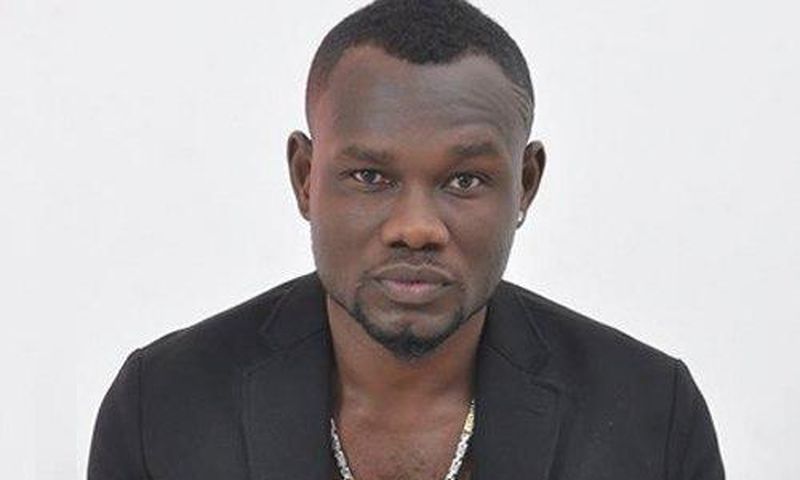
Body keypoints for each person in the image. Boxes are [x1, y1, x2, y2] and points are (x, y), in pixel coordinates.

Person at [88, 1, 725, 479]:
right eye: (370, 176)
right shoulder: (162, 406)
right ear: (305, 178)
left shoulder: (651, 415)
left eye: (465, 180)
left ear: (525, 185)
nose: (416, 228)